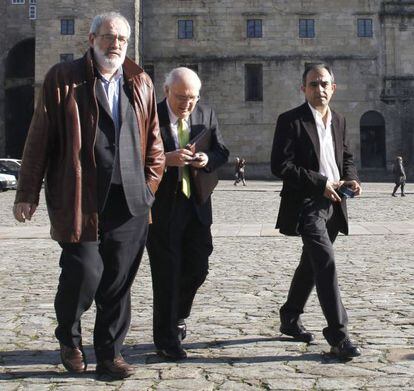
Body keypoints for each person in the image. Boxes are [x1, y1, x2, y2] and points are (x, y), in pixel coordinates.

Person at [12, 12, 165, 379]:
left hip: (130, 200)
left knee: (118, 282)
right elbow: (39, 138)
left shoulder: (140, 81)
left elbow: (155, 145)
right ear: (92, 38)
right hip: (81, 193)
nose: (116, 45)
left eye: (122, 40)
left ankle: (110, 356)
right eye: (109, 37)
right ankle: (69, 334)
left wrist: (148, 188)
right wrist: (27, 191)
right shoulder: (63, 79)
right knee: (84, 270)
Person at [271, 63, 362, 359]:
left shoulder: (340, 120)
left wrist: (352, 179)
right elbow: (280, 166)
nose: (319, 89)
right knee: (325, 262)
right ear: (303, 89)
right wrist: (320, 183)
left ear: (333, 88)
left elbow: (346, 157)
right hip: (307, 203)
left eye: (324, 84)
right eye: (313, 84)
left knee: (310, 264)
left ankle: (290, 316)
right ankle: (338, 335)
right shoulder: (290, 121)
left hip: (336, 202)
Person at [146, 67, 229, 360]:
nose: (187, 104)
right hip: (162, 207)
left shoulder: (205, 114)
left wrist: (207, 159)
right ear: (166, 91)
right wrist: (165, 160)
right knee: (166, 275)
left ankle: (178, 313)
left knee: (198, 267)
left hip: (196, 205)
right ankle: (166, 339)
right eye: (181, 97)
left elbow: (222, 151)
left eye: (192, 98)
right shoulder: (149, 115)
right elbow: (132, 156)